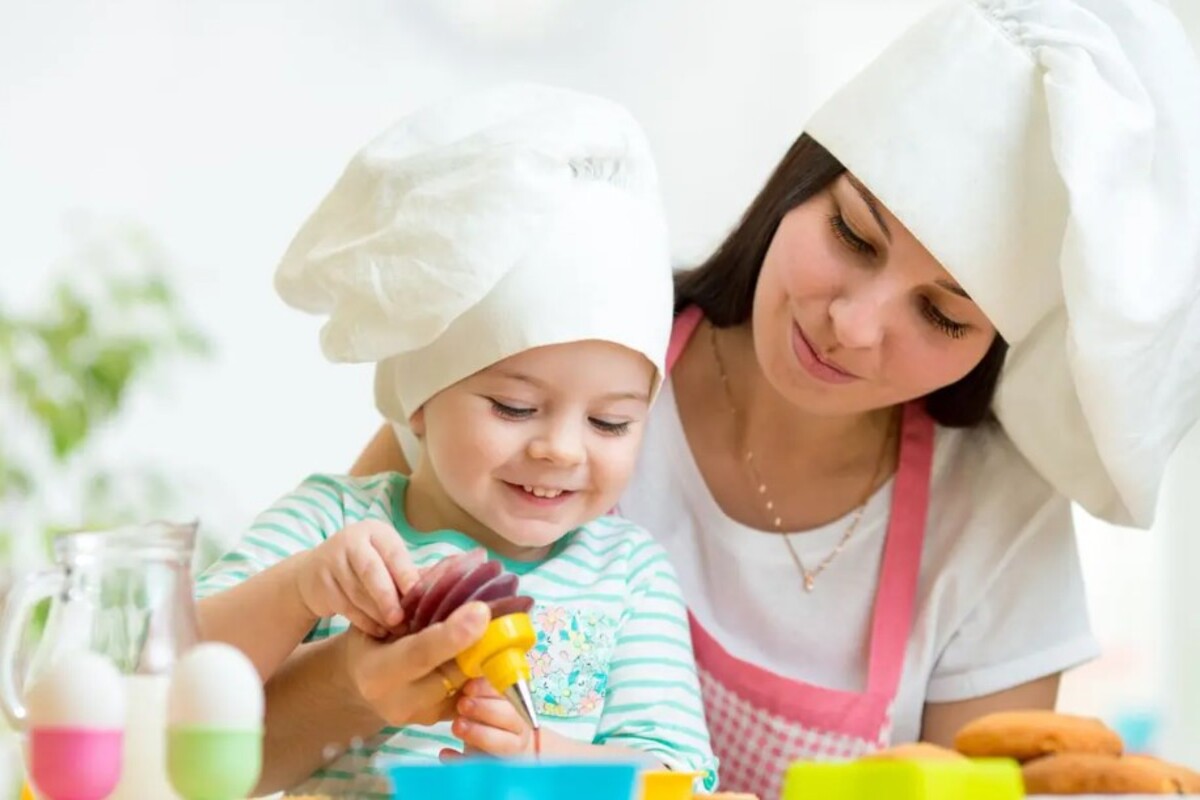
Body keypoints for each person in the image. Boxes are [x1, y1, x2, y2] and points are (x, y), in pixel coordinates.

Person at [345, 1, 1200, 797]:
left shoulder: (996, 516)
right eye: (851, 234)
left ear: (996, 346)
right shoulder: (564, 350)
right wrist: (365, 683)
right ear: (800, 182)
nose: (853, 327)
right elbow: (263, 712)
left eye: (942, 314)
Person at [195, 84, 718, 797]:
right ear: (419, 403)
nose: (562, 449)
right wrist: (298, 590)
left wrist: (547, 755)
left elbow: (681, 780)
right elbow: (180, 681)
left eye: (610, 423)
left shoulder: (628, 577)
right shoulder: (336, 530)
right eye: (514, 406)